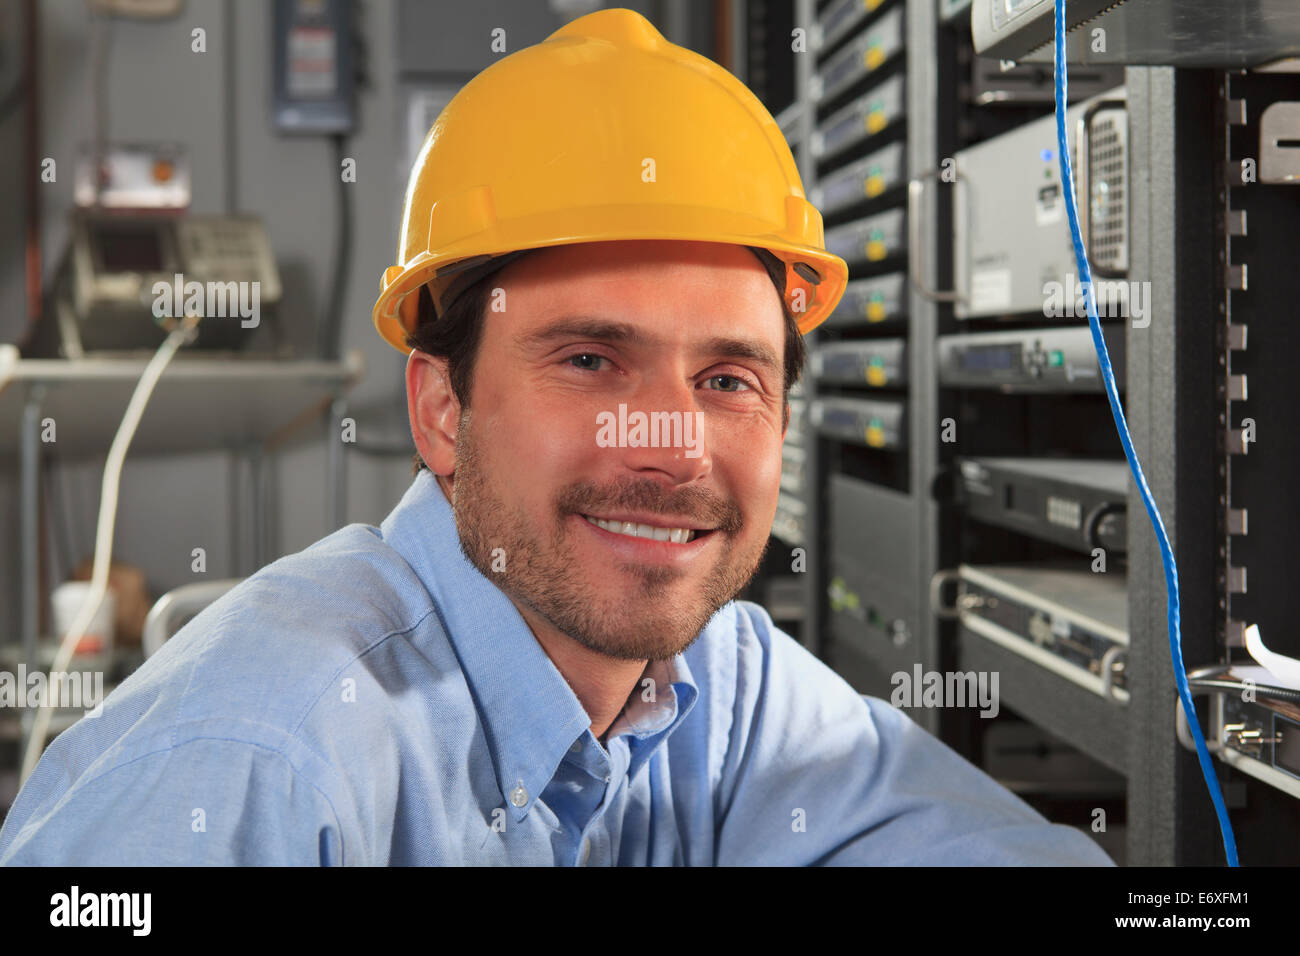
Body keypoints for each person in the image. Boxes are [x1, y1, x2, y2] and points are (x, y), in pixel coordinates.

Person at [0, 9, 1111, 866]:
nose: (673, 443)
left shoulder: (716, 686)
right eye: (590, 361)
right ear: (443, 409)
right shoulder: (258, 762)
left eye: (729, 378)